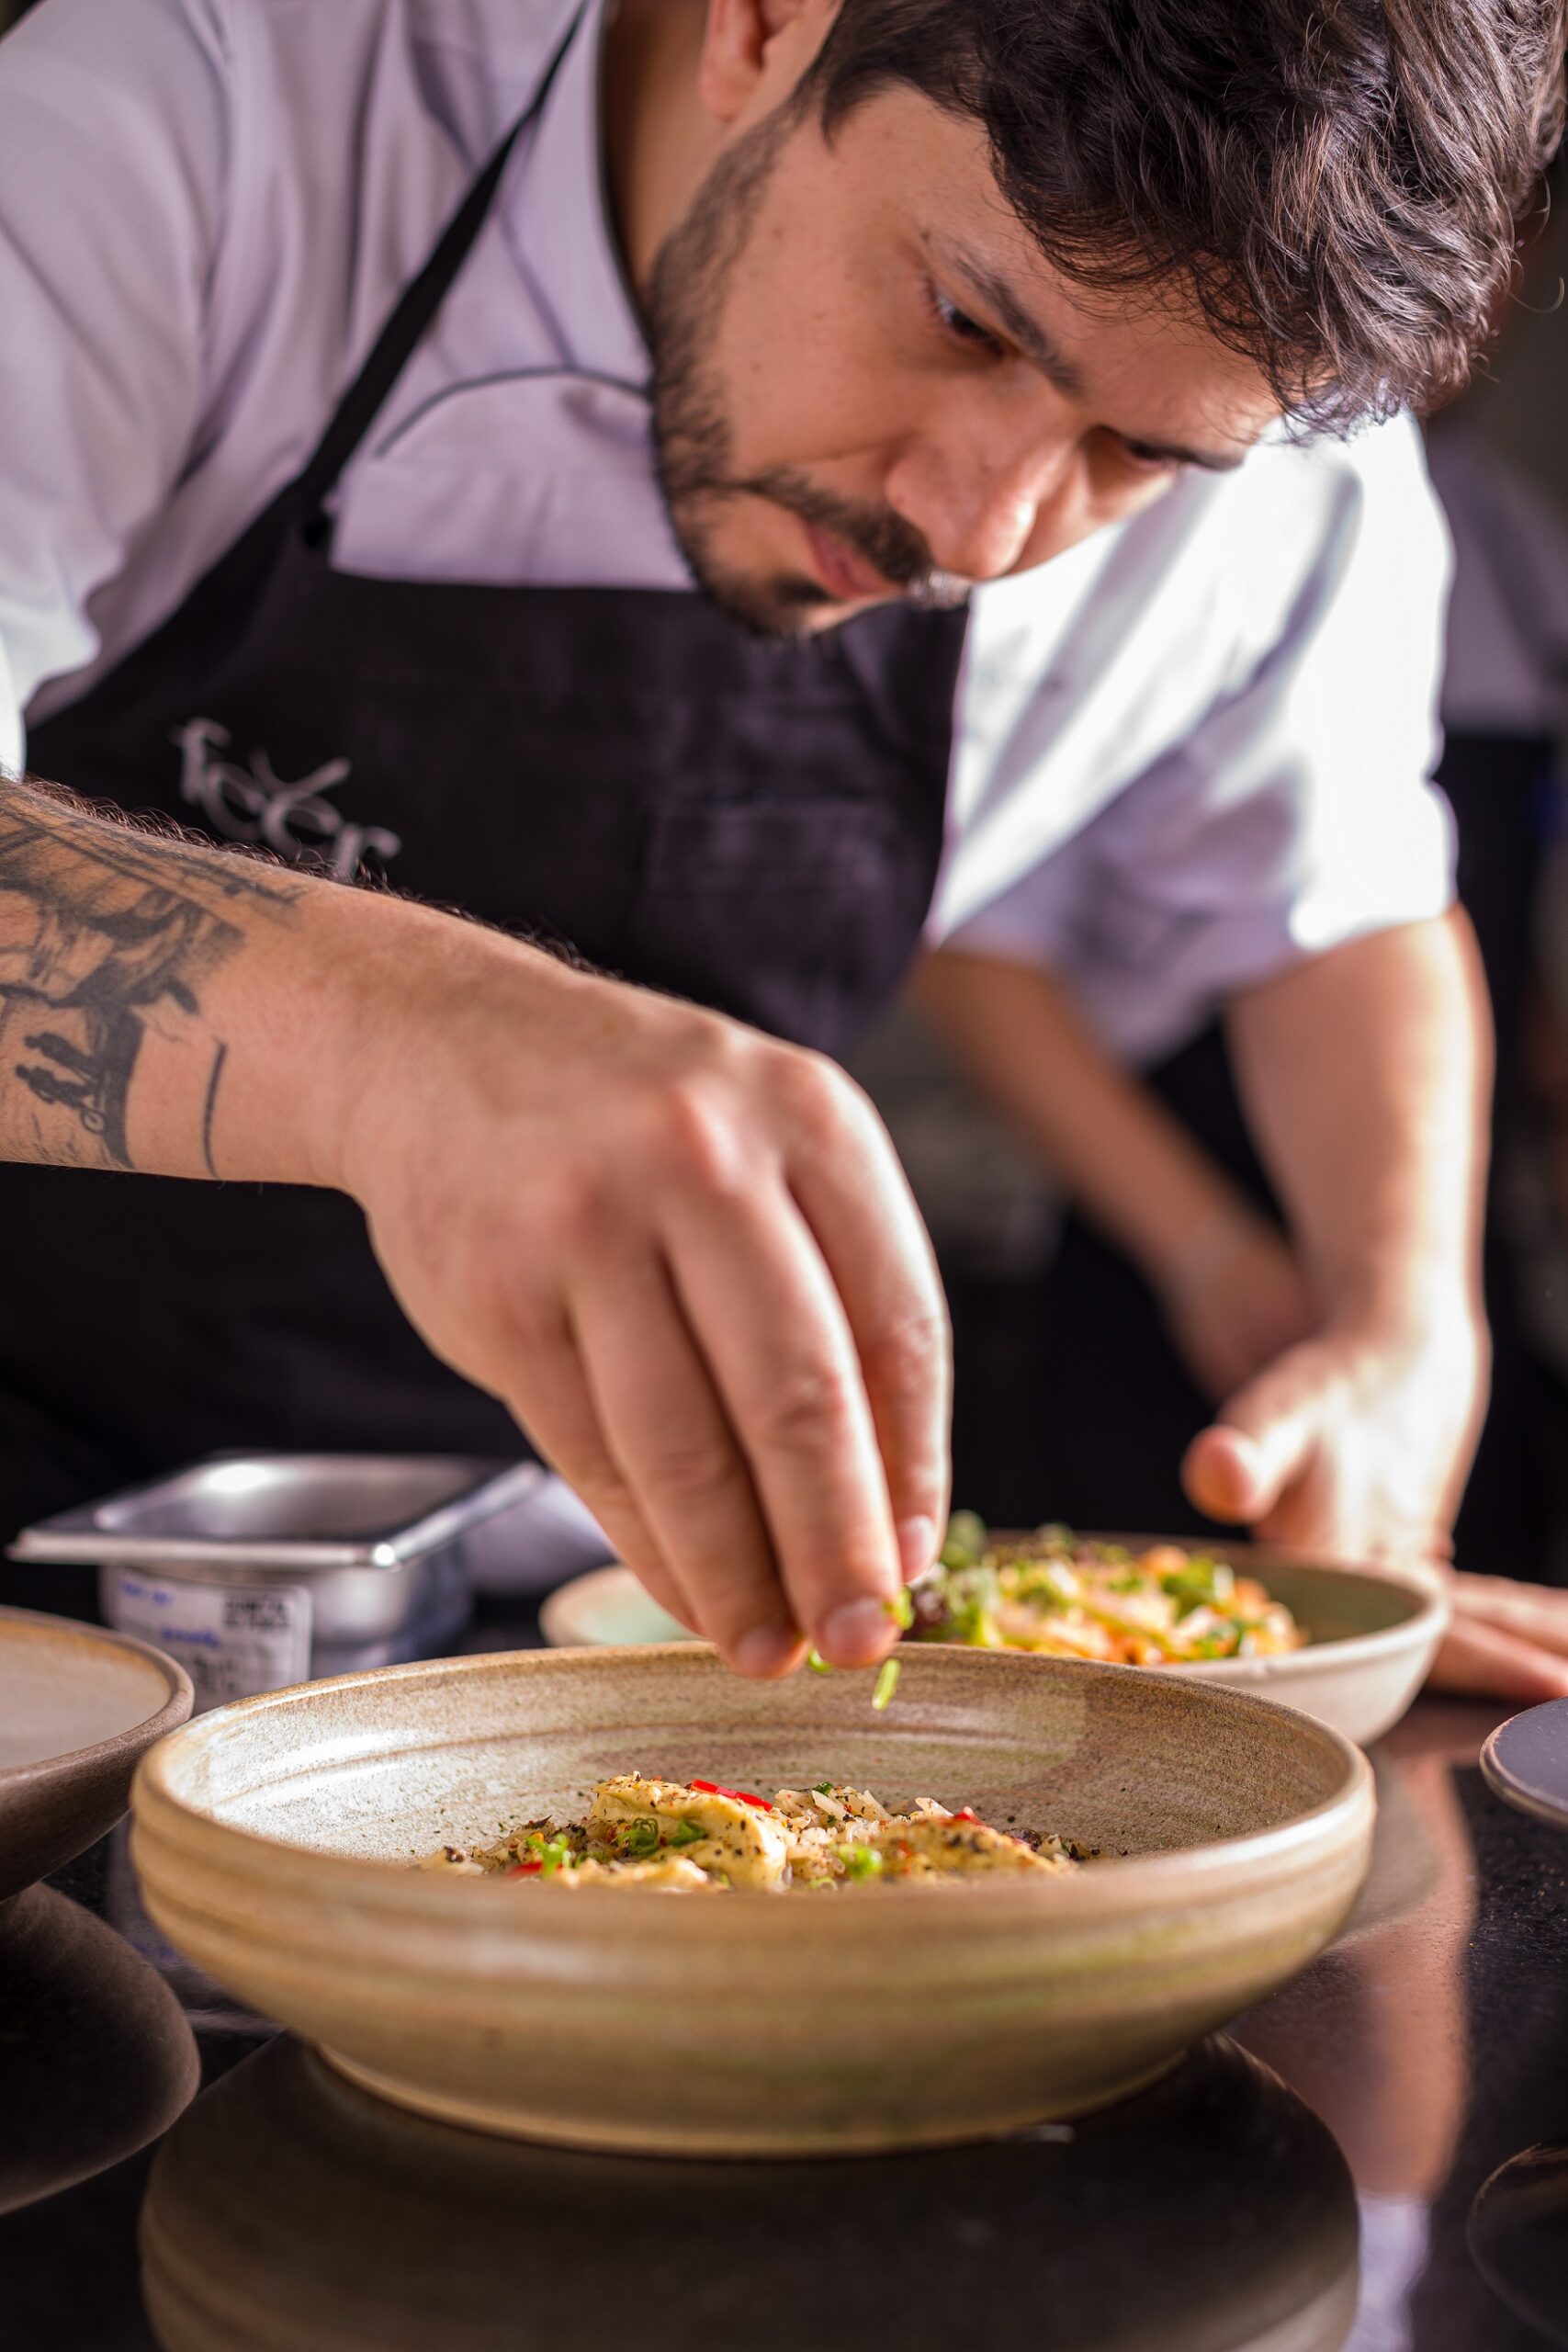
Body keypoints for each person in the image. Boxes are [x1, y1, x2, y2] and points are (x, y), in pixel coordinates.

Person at [0, 0, 1562, 1677]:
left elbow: (1334, 907)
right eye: (967, 321)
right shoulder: (202, 110)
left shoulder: (1282, 463)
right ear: (760, 26)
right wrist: (413, 1049)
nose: (982, 529)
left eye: (1132, 457)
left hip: (634, 1623)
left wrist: (1404, 1321)